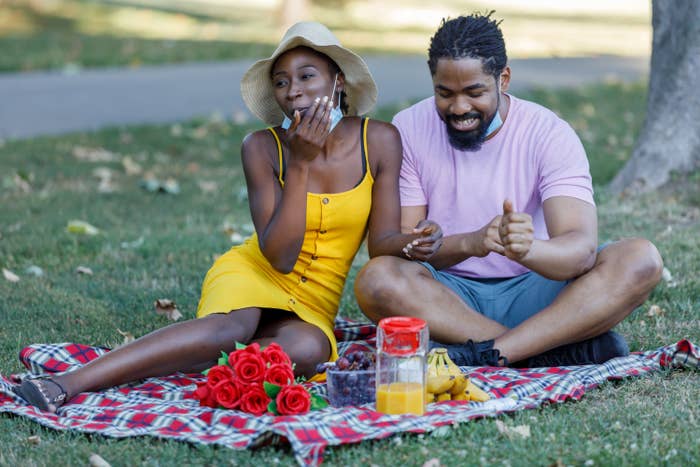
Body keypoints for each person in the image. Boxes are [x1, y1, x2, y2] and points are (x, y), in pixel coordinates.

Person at [13, 21, 441, 412]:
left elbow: (382, 239)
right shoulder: (260, 147)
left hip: (315, 304)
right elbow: (280, 258)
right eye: (281, 81)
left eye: (307, 76)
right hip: (256, 272)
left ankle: (193, 354)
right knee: (229, 328)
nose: (293, 90)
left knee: (308, 352)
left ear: (338, 81)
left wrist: (412, 242)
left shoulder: (379, 140)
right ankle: (66, 383)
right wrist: (302, 166)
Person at [354, 13, 664, 367]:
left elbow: (580, 251)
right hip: (448, 298)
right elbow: (403, 249)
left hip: (540, 291)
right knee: (376, 280)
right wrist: (471, 242)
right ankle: (541, 349)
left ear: (503, 79)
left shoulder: (549, 133)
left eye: (475, 92)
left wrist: (527, 249)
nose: (459, 107)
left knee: (640, 259)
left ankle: (494, 352)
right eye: (445, 93)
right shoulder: (408, 129)